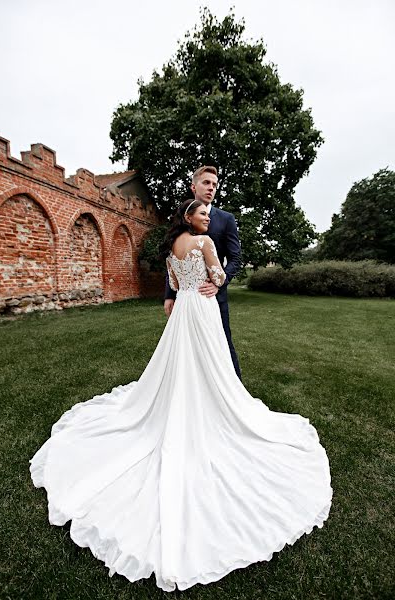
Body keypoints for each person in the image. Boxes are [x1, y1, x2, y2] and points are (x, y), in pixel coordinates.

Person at [29, 198, 332, 593]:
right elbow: (220, 278)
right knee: (208, 365)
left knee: (178, 366)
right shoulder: (205, 244)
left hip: (184, 309)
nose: (208, 218)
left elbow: (175, 282)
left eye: (209, 214)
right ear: (189, 217)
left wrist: (195, 284)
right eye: (202, 213)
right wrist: (217, 278)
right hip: (202, 310)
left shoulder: (174, 247)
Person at [164, 166, 242, 379]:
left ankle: (235, 390)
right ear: (193, 186)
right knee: (185, 348)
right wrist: (169, 296)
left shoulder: (226, 219)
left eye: (215, 185)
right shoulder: (182, 215)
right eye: (206, 183)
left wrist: (219, 284)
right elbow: (174, 258)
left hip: (215, 298)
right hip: (185, 299)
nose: (211, 188)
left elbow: (236, 259)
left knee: (222, 343)